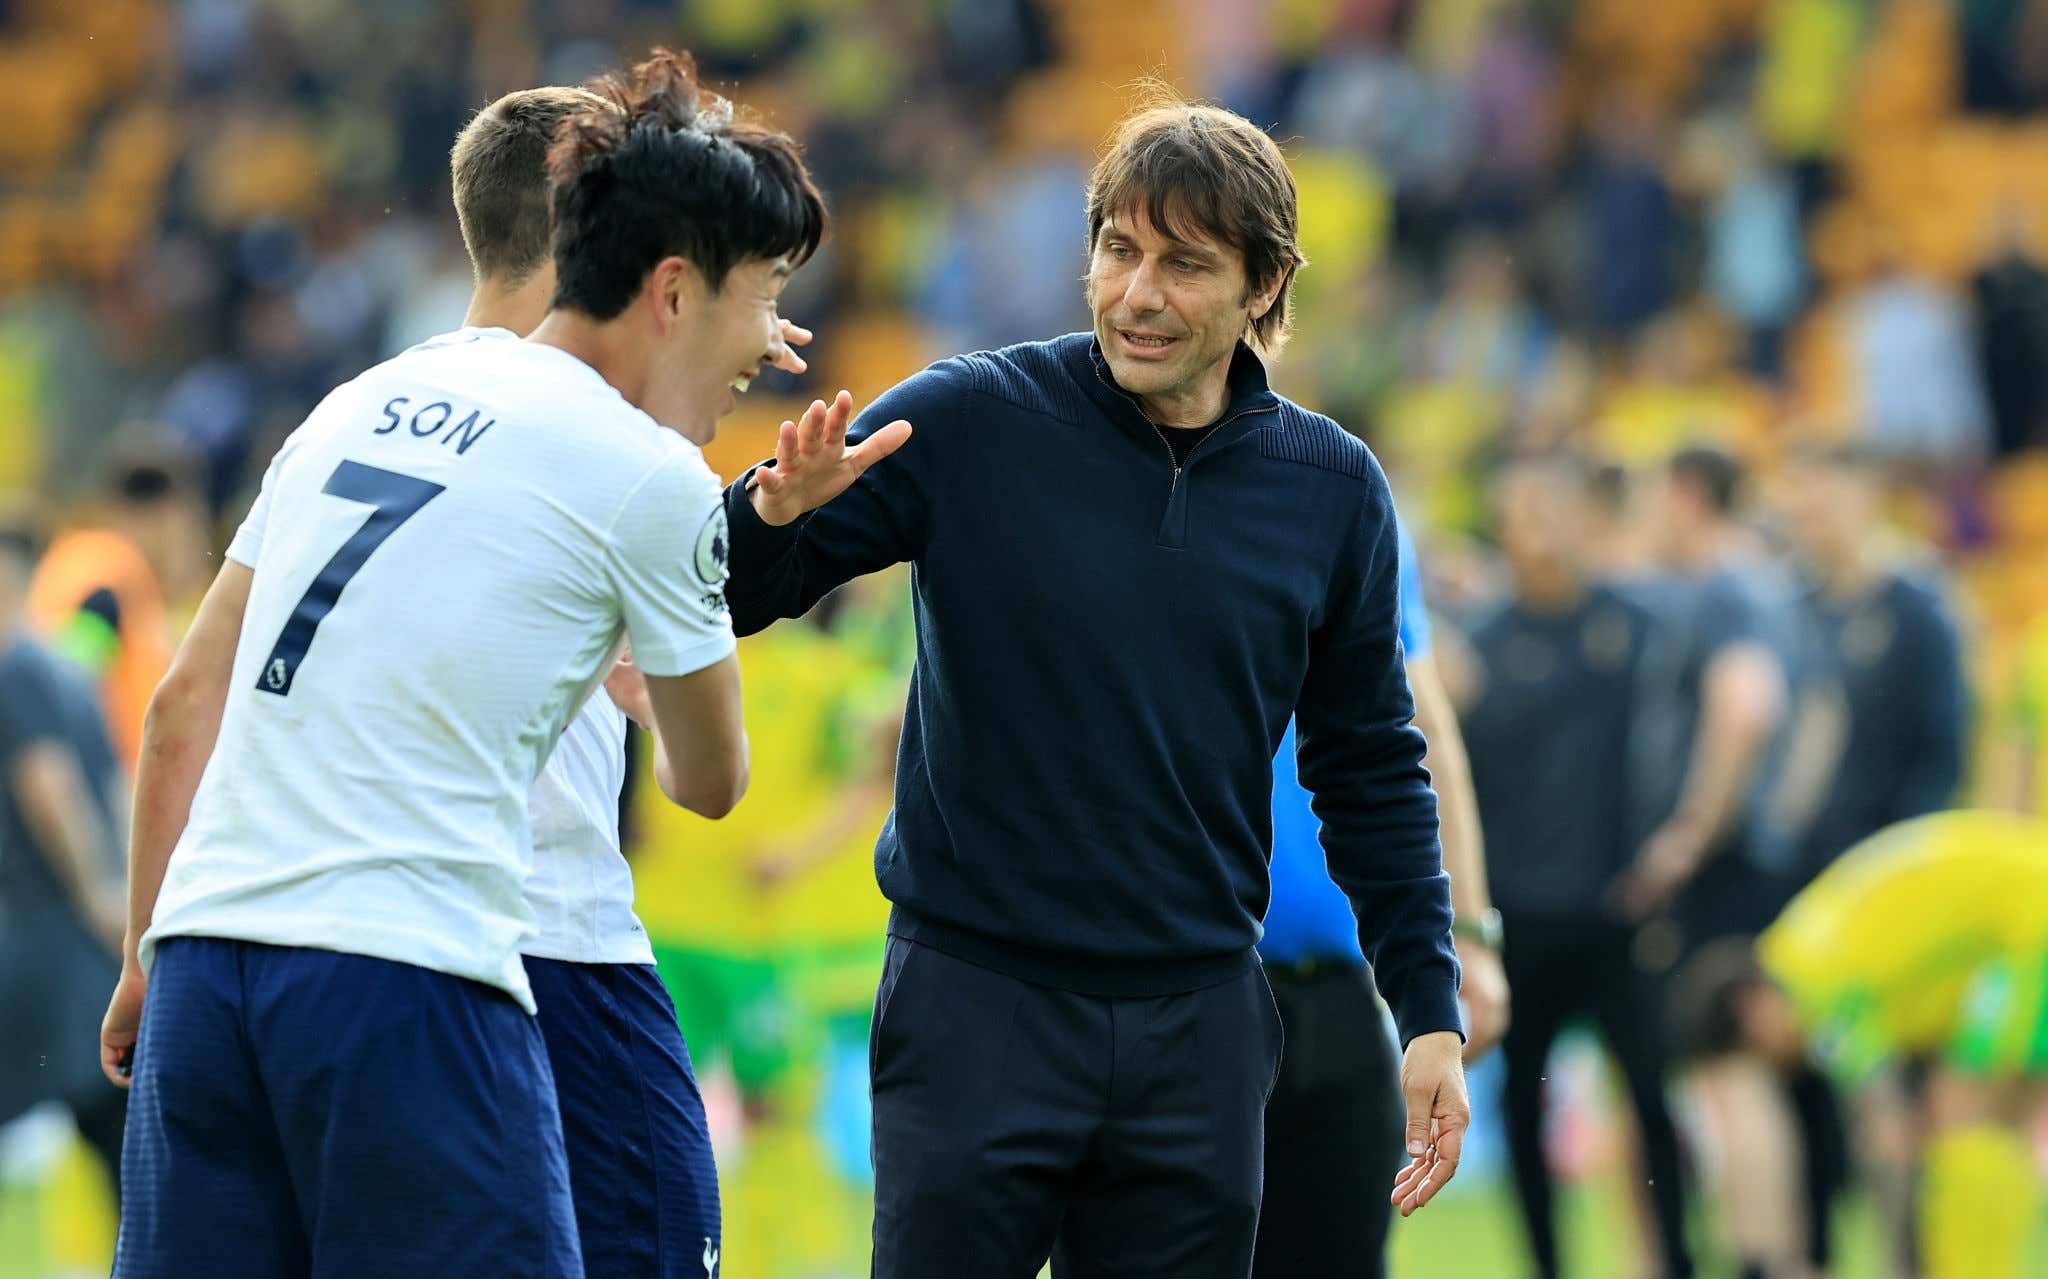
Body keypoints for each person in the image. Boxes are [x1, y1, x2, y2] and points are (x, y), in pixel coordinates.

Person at [96, 49, 872, 1277]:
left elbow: (184, 704)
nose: (773, 340)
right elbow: (706, 781)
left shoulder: (355, 400)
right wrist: (671, 653)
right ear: (672, 285)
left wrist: (147, 953)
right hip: (418, 970)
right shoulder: (644, 475)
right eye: (765, 295)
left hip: (207, 961)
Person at [724, 90, 1468, 1278]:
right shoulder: (971, 418)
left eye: (1184, 264)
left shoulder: (1330, 489)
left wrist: (1426, 1005)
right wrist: (765, 513)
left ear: (1264, 287)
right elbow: (738, 586)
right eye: (1118, 251)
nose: (1137, 294)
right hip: (976, 1004)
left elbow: (1370, 763)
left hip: (1200, 1025)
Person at [442, 82, 813, 1279]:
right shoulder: (619, 454)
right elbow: (712, 773)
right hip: (559, 937)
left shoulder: (391, 409)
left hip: (362, 954)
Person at [1457, 455, 1694, 1279]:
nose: (1542, 532)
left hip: (1620, 908)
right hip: (1523, 913)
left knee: (1652, 1095)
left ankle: (1677, 1257)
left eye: (1553, 511)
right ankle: (1548, 1264)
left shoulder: (1637, 626)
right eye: (1523, 514)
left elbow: (1680, 742)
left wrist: (1667, 851)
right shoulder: (1480, 646)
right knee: (1525, 1100)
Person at [1254, 513, 1506, 1279]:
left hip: (1344, 990)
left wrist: (1470, 935)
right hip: (1189, 984)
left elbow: (1425, 728)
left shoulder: (1337, 497)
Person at [1674, 810, 2048, 1279]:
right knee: (1990, 1121)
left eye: (1759, 1053)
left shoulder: (1815, 986)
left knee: (1965, 1116)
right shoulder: (1807, 939)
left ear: (1753, 1006)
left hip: (2030, 925)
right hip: (2026, 903)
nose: (1781, 1063)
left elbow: (1884, 1124)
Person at [1617, 444, 1811, 1277]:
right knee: (1738, 1073)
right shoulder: (1769, 588)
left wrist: (1690, 832)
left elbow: (1748, 704)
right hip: (1757, 860)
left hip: (1720, 870)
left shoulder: (1726, 587)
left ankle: (1759, 1261)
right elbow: (1816, 718)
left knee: (1728, 1074)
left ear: (1688, 494)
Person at [0, 521, 130, 1205]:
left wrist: (101, 898)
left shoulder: (17, 667)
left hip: (47, 943)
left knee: (115, 1133)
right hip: (87, 946)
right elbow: (118, 784)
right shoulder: (67, 669)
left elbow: (53, 792)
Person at [28, 442, 212, 767]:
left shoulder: (84, 561)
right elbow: (70, 679)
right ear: (164, 516)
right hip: (94, 782)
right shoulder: (109, 576)